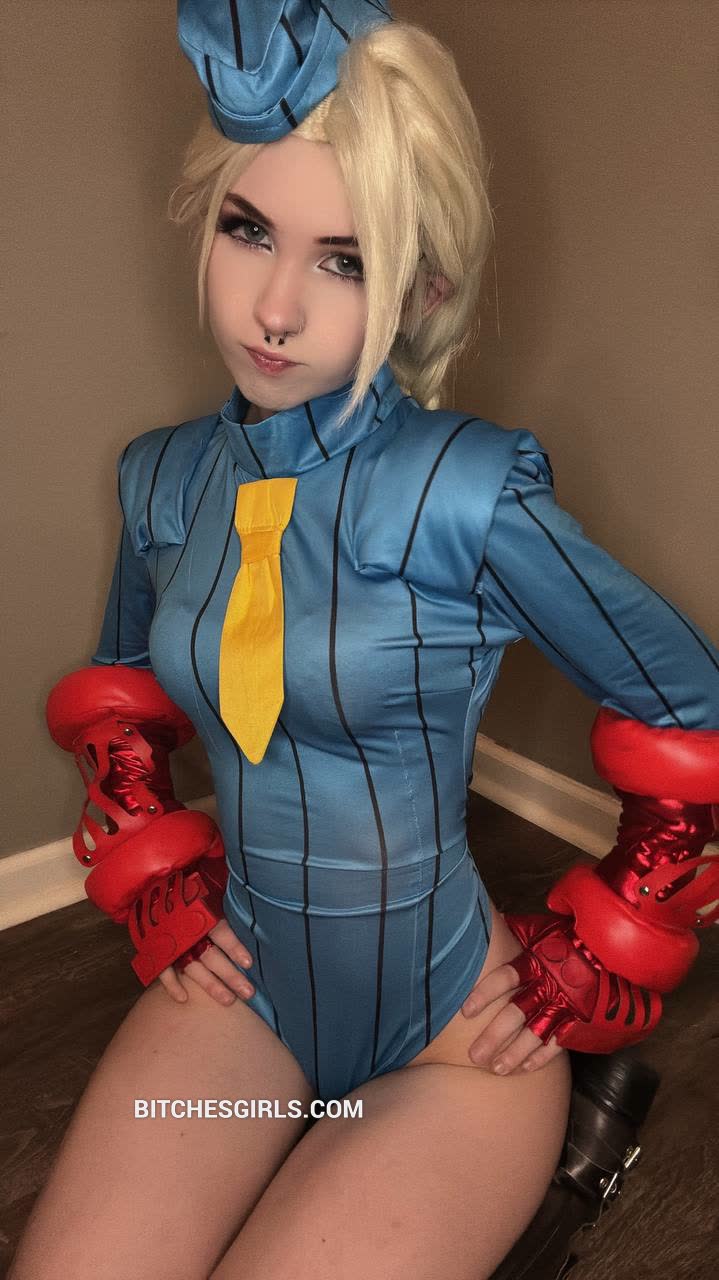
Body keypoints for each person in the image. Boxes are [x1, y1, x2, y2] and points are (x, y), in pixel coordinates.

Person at [11, 4, 719, 1279]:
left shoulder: (466, 490)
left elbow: (691, 709)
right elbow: (118, 699)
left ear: (418, 289)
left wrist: (602, 942)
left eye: (344, 260)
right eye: (249, 230)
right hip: (245, 994)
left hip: (455, 1034)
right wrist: (159, 867)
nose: (276, 306)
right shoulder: (161, 481)